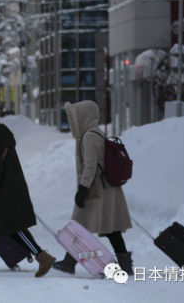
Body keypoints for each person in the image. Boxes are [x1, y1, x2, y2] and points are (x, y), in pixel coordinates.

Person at [0, 108, 56, 277]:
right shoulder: (0, 138)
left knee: (13, 228)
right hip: (7, 190)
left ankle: (42, 256)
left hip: (4, 193)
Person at [53, 101, 134, 275]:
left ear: (85, 116)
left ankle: (69, 262)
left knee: (79, 225)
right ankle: (125, 264)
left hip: (94, 189)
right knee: (110, 227)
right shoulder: (98, 132)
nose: (75, 121)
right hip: (105, 188)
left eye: (76, 116)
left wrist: (82, 188)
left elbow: (90, 165)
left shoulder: (90, 136)